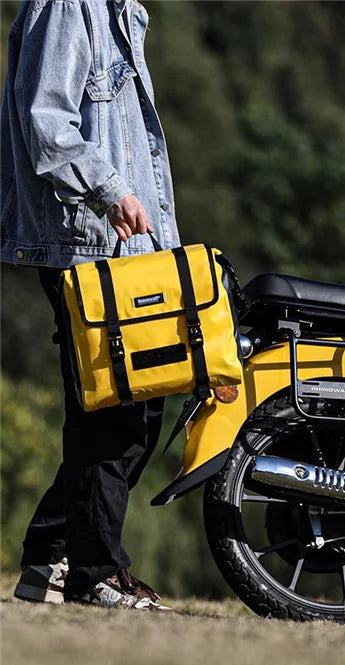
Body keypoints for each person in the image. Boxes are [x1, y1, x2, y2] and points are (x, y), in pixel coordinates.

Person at [1, 0, 179, 609]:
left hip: (126, 250)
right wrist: (109, 190)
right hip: (82, 245)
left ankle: (49, 558)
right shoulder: (67, 6)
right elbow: (45, 118)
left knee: (137, 411)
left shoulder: (124, 14)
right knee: (110, 412)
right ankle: (94, 574)